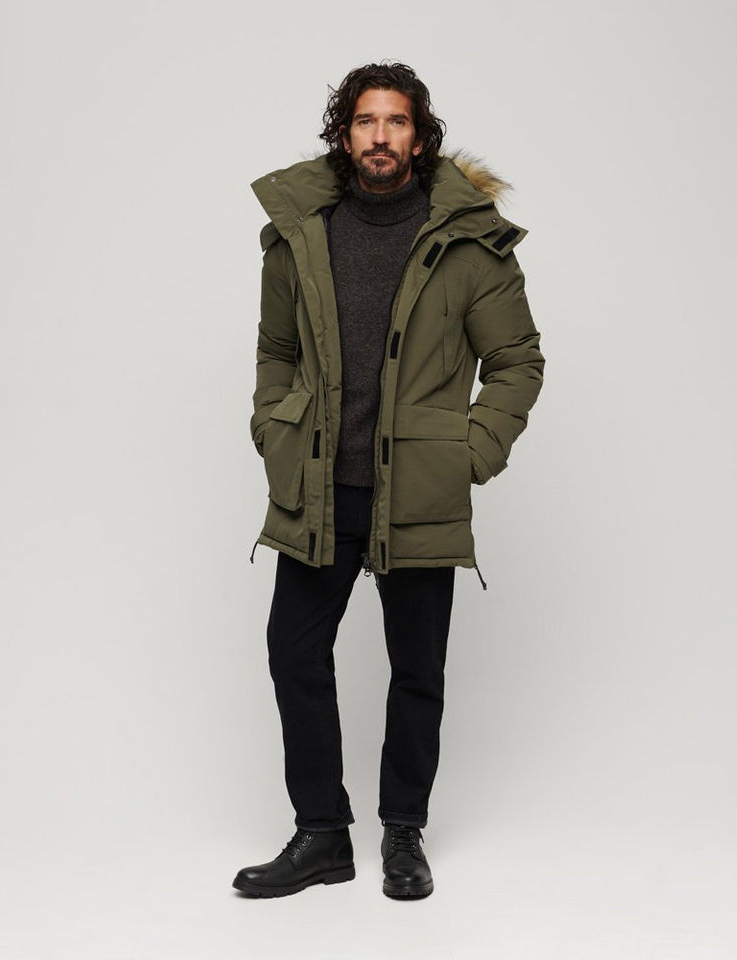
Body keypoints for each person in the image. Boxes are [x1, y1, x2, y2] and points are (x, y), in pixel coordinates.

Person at [233, 61, 545, 900]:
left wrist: (469, 452)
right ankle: (322, 835)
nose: (380, 136)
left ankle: (403, 832)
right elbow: (275, 350)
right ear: (344, 135)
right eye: (365, 121)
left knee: (416, 670)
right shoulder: (300, 232)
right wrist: (272, 429)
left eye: (396, 121)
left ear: (419, 136)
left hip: (417, 488)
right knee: (295, 654)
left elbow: (516, 361)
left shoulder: (469, 241)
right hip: (319, 483)